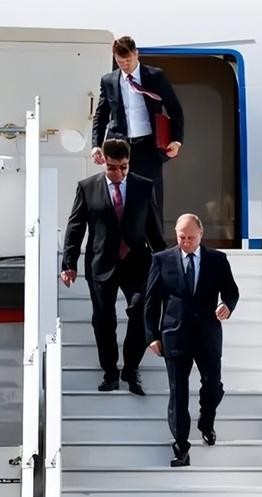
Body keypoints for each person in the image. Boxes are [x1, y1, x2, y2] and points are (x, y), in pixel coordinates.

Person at [61, 138, 166, 395]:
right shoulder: (87, 187)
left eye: (123, 167)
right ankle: (110, 372)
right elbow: (76, 227)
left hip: (137, 263)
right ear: (103, 163)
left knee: (140, 311)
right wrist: (69, 263)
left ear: (129, 163)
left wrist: (166, 263)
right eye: (112, 167)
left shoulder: (144, 186)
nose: (118, 173)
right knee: (103, 320)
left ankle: (131, 369)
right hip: (101, 263)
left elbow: (153, 228)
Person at [144, 214, 239, 467]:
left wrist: (227, 305)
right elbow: (151, 302)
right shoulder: (161, 260)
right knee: (178, 393)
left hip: (208, 335)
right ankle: (181, 448)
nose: (186, 242)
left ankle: (206, 422)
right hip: (174, 336)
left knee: (213, 385)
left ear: (201, 234)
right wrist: (151, 336)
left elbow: (231, 290)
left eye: (191, 238)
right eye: (181, 237)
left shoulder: (217, 260)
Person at [91, 35, 184, 222]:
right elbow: (101, 115)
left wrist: (176, 140)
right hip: (120, 147)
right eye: (120, 61)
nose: (125, 65)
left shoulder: (155, 76)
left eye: (128, 60)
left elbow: (174, 109)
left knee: (152, 199)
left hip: (148, 146)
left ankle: (153, 239)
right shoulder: (109, 80)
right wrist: (96, 145)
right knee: (119, 198)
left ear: (136, 54)